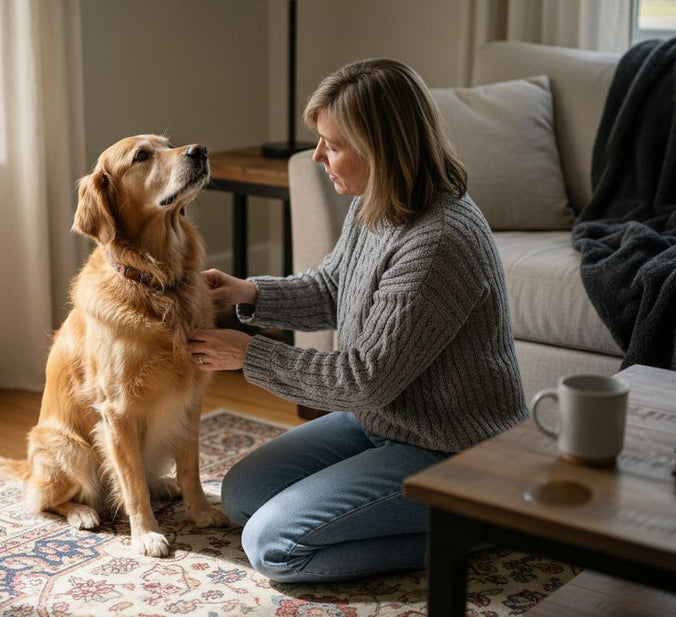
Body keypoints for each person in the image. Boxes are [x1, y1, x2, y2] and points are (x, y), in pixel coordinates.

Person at [188, 58, 527, 583]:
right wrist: (248, 292)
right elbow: (332, 288)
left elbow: (363, 379)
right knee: (242, 495)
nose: (318, 155)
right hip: (381, 423)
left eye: (334, 145)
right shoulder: (377, 202)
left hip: (452, 448)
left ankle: (483, 522)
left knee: (273, 546)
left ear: (383, 151)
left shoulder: (439, 241)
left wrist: (247, 353)